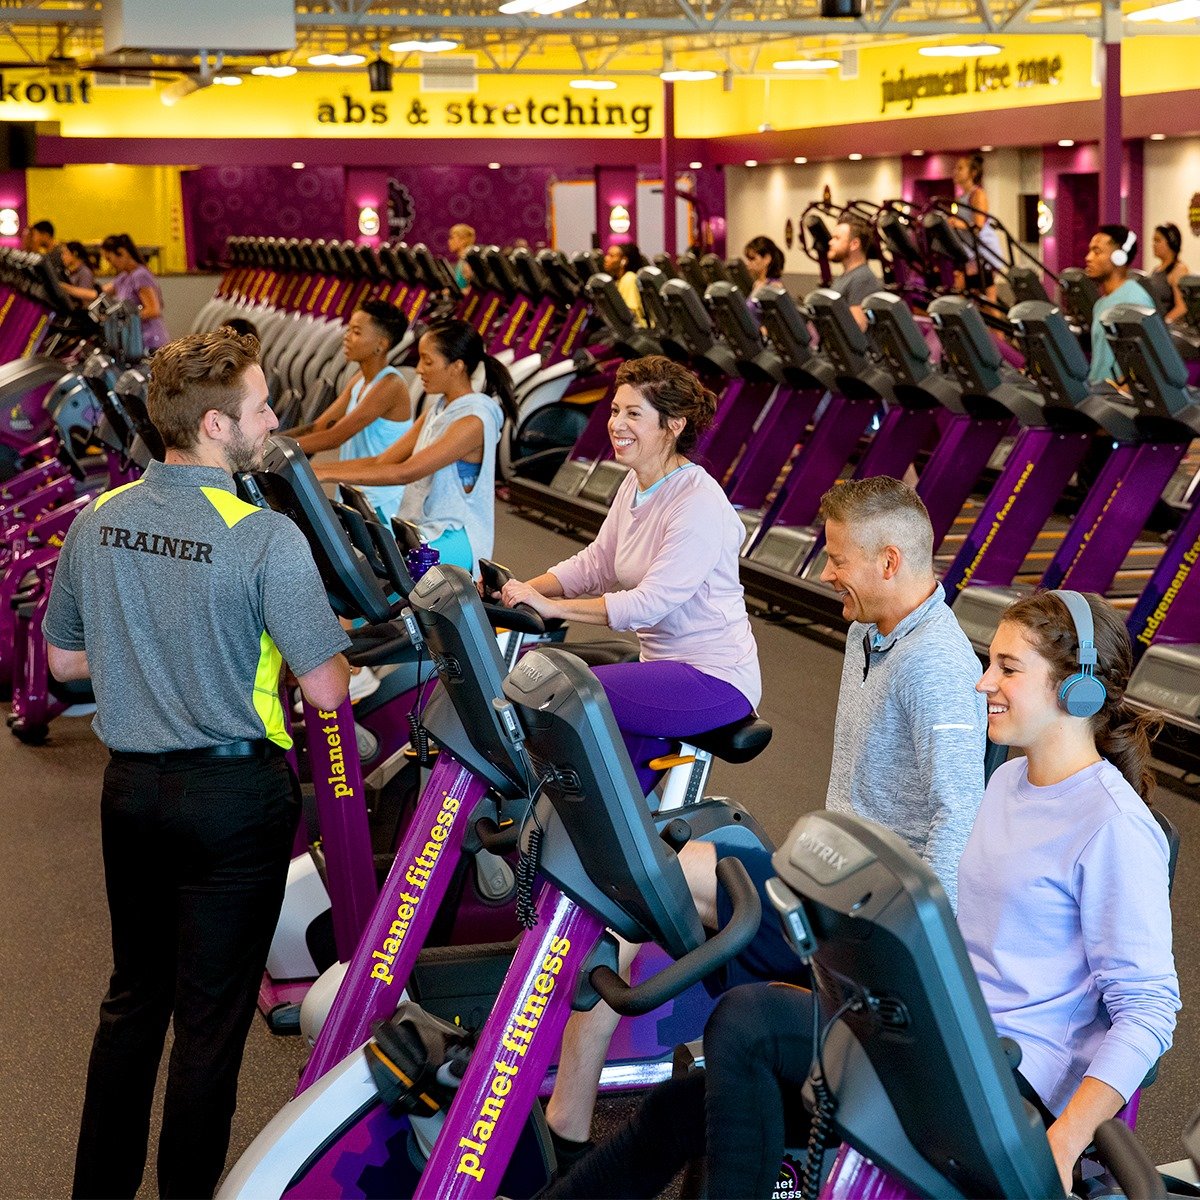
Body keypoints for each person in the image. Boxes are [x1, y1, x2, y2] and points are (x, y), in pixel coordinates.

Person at [547, 589, 1178, 1200]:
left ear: (1078, 689)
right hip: (946, 1039)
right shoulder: (1012, 779)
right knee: (681, 1110)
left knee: (748, 1019)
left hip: (1003, 1084)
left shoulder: (1114, 826)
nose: (984, 682)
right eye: (990, 662)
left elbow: (1149, 1010)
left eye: (1008, 668)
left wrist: (1066, 1140)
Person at [530, 475, 982, 1168]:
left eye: (838, 559)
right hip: (831, 879)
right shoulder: (873, 630)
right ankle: (567, 1119)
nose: (827, 572)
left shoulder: (939, 666)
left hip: (874, 923)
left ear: (890, 562)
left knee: (668, 879)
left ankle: (568, 1119)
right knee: (664, 875)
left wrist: (921, 968)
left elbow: (958, 813)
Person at [42, 329, 352, 1199]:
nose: (273, 418)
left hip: (132, 794)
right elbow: (327, 691)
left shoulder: (96, 521)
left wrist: (152, 655)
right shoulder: (264, 536)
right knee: (211, 1024)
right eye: (261, 407)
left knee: (133, 1002)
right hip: (232, 799)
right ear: (216, 426)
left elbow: (66, 664)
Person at [313, 318, 514, 574]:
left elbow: (406, 471)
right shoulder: (438, 409)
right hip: (422, 528)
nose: (419, 370)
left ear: (457, 367)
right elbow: (382, 461)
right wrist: (316, 470)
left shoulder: (474, 420)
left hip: (455, 537)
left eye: (428, 361)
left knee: (376, 587)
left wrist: (325, 473)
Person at [283, 299, 412, 520]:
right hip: (353, 491)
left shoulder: (391, 385)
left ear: (381, 344)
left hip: (379, 500)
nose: (346, 336)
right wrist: (274, 438)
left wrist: (273, 447)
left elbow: (335, 437)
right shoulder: (359, 379)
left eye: (356, 332)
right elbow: (319, 426)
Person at [1083, 224, 1156, 390]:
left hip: (1114, 401)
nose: (1088, 257)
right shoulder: (1100, 304)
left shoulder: (1135, 300)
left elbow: (1146, 364)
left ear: (1119, 257)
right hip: (1096, 392)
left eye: (1097, 251)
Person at [100, 233, 168, 353]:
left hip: (150, 342)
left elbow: (153, 310)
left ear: (121, 252)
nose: (110, 264)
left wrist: (122, 319)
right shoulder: (124, 277)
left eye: (109, 259)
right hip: (136, 342)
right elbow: (97, 293)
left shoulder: (140, 275)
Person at [951, 151, 1003, 303]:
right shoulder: (960, 197)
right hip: (970, 252)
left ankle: (996, 326)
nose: (955, 172)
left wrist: (956, 223)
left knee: (988, 301)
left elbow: (978, 224)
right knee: (966, 293)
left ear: (973, 173)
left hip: (984, 252)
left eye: (960, 168)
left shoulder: (978, 194)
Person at [825, 216, 880, 330]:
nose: (830, 242)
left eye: (837, 238)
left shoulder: (862, 278)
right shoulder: (844, 277)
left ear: (854, 244)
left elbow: (858, 327)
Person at [1148, 222, 1189, 324]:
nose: (1153, 244)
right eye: (1153, 240)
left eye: (1157, 240)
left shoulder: (1178, 269)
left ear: (1171, 242)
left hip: (1169, 331)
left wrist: (1162, 325)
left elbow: (1182, 307)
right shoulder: (1156, 270)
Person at [602, 240, 646, 326]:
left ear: (624, 261)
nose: (606, 258)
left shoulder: (629, 278)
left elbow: (631, 313)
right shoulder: (618, 280)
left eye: (611, 256)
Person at [59, 240, 100, 305]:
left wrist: (65, 288)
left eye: (64, 253)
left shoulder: (85, 272)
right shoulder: (68, 272)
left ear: (74, 253)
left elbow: (86, 299)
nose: (62, 257)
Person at [447, 222, 475, 291]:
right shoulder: (461, 260)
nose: (449, 241)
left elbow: (471, 290)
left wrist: (453, 292)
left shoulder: (468, 262)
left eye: (452, 238)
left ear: (463, 240)